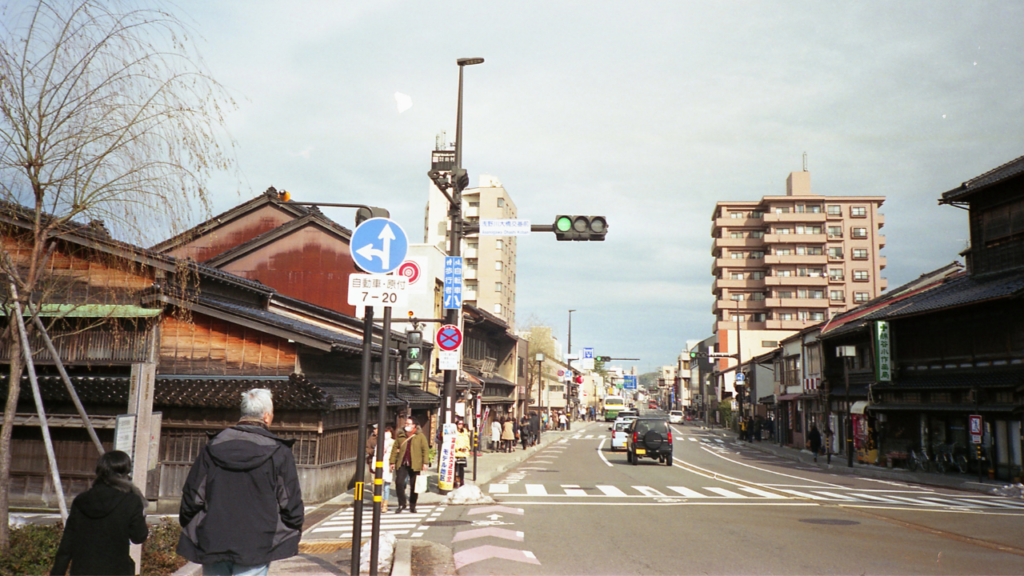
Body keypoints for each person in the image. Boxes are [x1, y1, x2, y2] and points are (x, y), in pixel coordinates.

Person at [178, 389, 303, 576]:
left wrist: (195, 527)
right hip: (257, 541)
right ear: (267, 417)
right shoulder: (278, 452)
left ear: (243, 414)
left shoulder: (212, 448)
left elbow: (192, 498)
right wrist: (290, 530)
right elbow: (290, 504)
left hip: (214, 539)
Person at [51, 450, 149, 576]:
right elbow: (138, 537)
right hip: (117, 570)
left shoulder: (82, 500)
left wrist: (57, 572)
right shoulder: (131, 501)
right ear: (125, 472)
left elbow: (67, 544)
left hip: (82, 570)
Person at [390, 416, 430, 513]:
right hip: (402, 463)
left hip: (415, 463)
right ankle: (402, 503)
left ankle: (413, 505)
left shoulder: (420, 436)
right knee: (399, 482)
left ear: (414, 425)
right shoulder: (400, 436)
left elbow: (425, 449)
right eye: (406, 424)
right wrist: (392, 462)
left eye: (409, 424)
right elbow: (394, 450)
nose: (406, 425)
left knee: (414, 485)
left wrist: (425, 462)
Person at [374, 425, 395, 512]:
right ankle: (381, 503)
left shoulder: (392, 442)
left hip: (387, 465)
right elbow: (375, 455)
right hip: (382, 465)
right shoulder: (379, 442)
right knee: (380, 486)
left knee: (385, 486)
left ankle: (384, 504)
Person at [453, 420, 470, 488]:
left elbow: (467, 441)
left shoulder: (465, 432)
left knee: (461, 468)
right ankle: (455, 481)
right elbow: (453, 442)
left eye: (462, 424)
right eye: (459, 423)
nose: (460, 425)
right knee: (455, 468)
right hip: (456, 453)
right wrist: (458, 448)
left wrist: (467, 447)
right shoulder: (454, 432)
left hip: (463, 453)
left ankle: (461, 481)